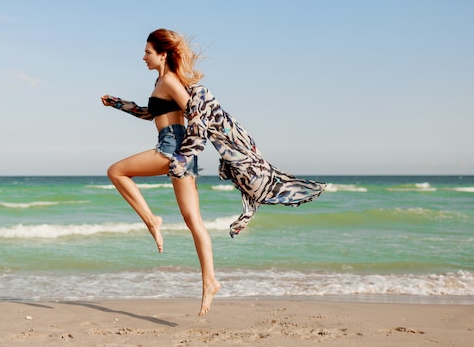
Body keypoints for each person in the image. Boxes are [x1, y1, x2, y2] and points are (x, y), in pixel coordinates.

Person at [101, 28, 220, 316]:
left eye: (147, 52)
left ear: (163, 53)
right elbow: (149, 113)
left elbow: (195, 112)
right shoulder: (161, 81)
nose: (143, 57)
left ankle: (152, 220)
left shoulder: (168, 80)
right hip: (179, 153)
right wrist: (117, 103)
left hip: (172, 149)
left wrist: (185, 152)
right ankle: (210, 281)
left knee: (116, 171)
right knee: (194, 221)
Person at [169, 86, 326, 237]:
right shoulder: (246, 165)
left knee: (253, 181)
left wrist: (182, 159)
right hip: (239, 147)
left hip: (239, 149)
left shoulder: (199, 96)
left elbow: (199, 132)